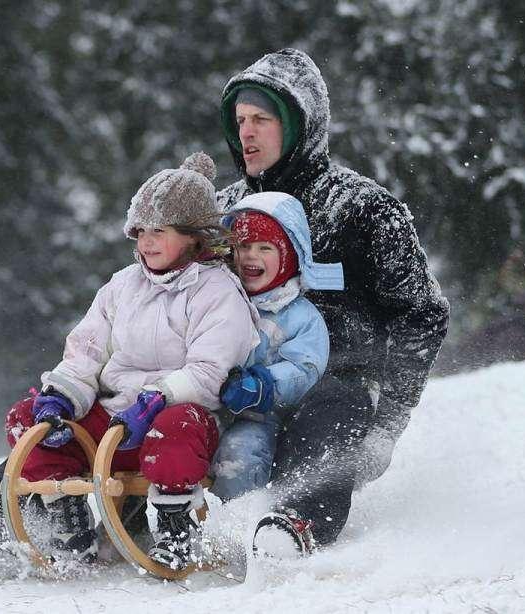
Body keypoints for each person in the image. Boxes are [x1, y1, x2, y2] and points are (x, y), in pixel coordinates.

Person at [0, 152, 260, 573]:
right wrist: (61, 396)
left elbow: (209, 370)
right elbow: (85, 352)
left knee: (175, 428)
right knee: (29, 419)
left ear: (193, 236)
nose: (147, 242)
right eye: (140, 231)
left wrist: (158, 400)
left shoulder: (217, 292)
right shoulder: (123, 287)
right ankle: (65, 522)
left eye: (159, 231)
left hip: (178, 421)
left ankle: (177, 532)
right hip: (114, 421)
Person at [216, 49, 450, 554]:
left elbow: (422, 313)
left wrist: (388, 424)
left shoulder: (364, 209)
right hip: (234, 390)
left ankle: (292, 524)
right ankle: (21, 514)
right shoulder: (222, 212)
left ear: (300, 124)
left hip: (330, 396)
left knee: (333, 407)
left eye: (261, 119)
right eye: (239, 122)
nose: (246, 134)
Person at [210, 191, 343, 504]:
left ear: (289, 258)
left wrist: (262, 385)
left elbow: (305, 367)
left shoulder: (300, 316)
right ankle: (168, 521)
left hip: (262, 416)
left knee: (239, 453)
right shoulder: (217, 299)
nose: (250, 256)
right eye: (242, 246)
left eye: (265, 248)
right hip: (210, 407)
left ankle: (231, 526)